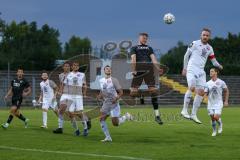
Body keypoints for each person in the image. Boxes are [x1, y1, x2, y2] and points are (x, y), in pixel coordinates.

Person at [181, 28, 223, 124]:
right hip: (191, 68)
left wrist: (219, 65)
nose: (205, 37)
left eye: (207, 35)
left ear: (209, 37)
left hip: (201, 71)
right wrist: (185, 68)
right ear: (201, 35)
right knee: (191, 87)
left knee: (201, 92)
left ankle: (193, 114)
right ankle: (184, 110)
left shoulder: (210, 48)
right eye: (204, 35)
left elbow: (213, 61)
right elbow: (186, 55)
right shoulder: (194, 43)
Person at [130, 32, 163, 124]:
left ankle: (157, 116)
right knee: (132, 94)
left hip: (149, 70)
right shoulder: (134, 48)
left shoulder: (149, 48)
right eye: (143, 37)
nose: (145, 39)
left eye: (146, 38)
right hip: (139, 70)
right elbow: (133, 59)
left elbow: (153, 59)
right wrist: (133, 70)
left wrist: (158, 68)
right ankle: (141, 94)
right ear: (139, 38)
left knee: (154, 92)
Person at [98, 65, 133, 142]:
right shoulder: (101, 80)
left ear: (111, 71)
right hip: (106, 103)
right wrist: (100, 96)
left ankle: (126, 116)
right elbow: (102, 90)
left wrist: (116, 98)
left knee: (115, 124)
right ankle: (108, 137)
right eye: (106, 69)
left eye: (109, 69)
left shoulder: (114, 80)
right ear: (104, 71)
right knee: (101, 119)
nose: (108, 70)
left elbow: (121, 92)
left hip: (114, 103)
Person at [54, 61, 89, 136]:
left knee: (80, 112)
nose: (75, 66)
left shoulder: (82, 74)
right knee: (70, 113)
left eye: (77, 65)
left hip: (78, 96)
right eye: (74, 65)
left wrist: (84, 93)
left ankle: (85, 129)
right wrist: (60, 92)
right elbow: (63, 84)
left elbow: (85, 84)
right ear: (72, 67)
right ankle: (77, 130)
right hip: (70, 96)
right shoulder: (68, 75)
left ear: (78, 67)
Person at [205, 68, 229, 136]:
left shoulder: (221, 82)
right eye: (210, 71)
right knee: (212, 119)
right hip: (210, 103)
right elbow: (206, 93)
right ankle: (214, 131)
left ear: (216, 73)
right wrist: (203, 96)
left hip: (218, 103)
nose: (210, 73)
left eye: (212, 71)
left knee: (216, 117)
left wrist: (226, 101)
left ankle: (220, 124)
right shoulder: (207, 83)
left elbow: (226, 91)